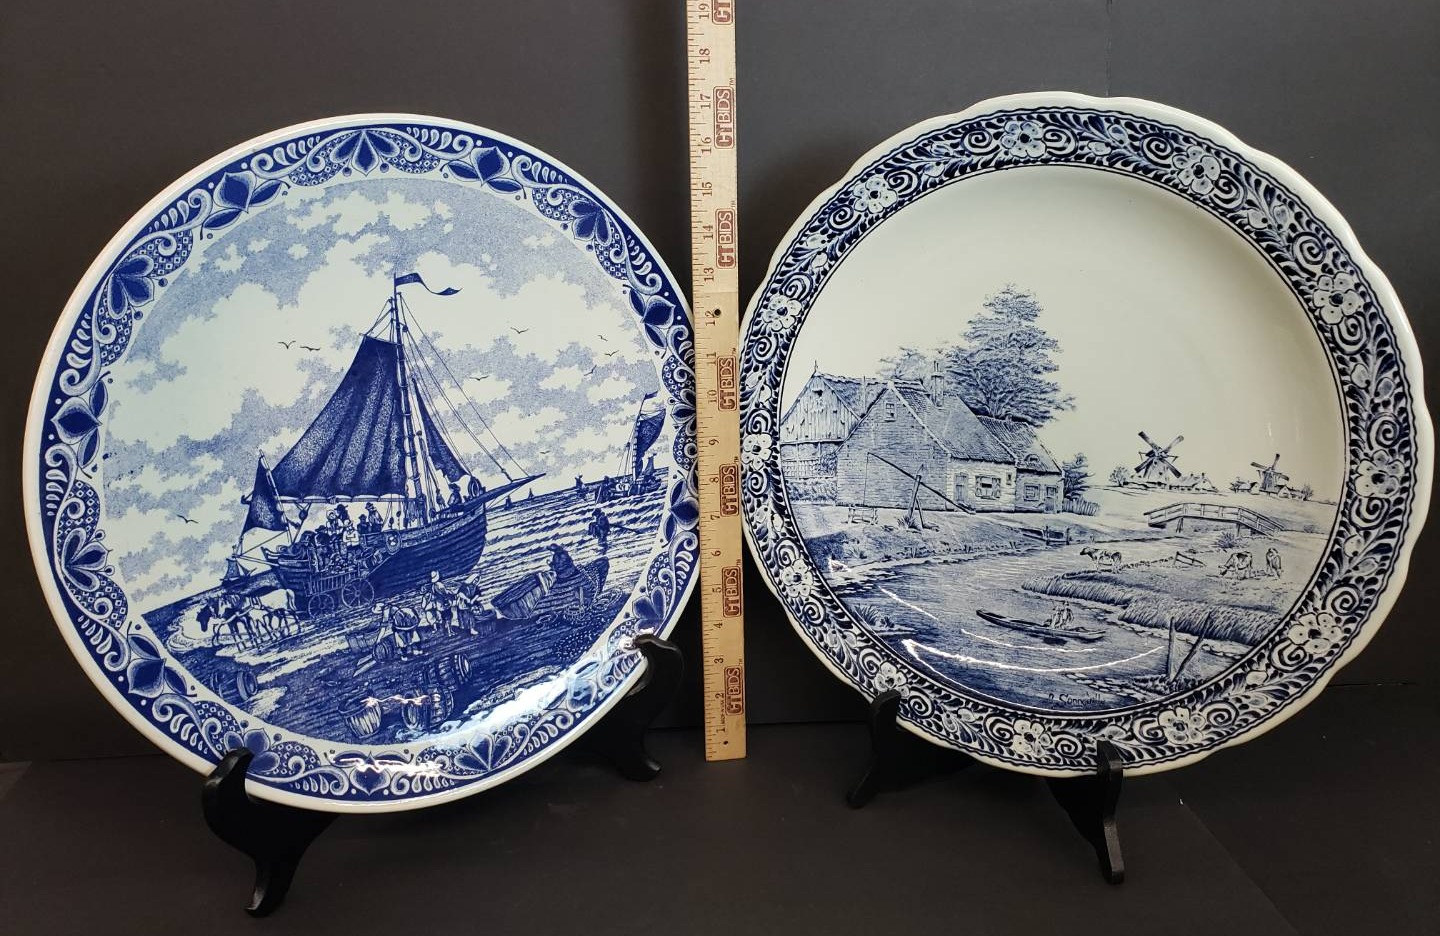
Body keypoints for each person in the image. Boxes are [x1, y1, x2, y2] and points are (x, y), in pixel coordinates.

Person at [421, 570, 457, 635]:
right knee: (448, 617)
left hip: (439, 605)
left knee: (443, 618)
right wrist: (451, 593)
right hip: (444, 604)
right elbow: (445, 592)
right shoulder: (439, 584)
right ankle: (450, 631)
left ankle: (444, 631)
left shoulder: (433, 586)